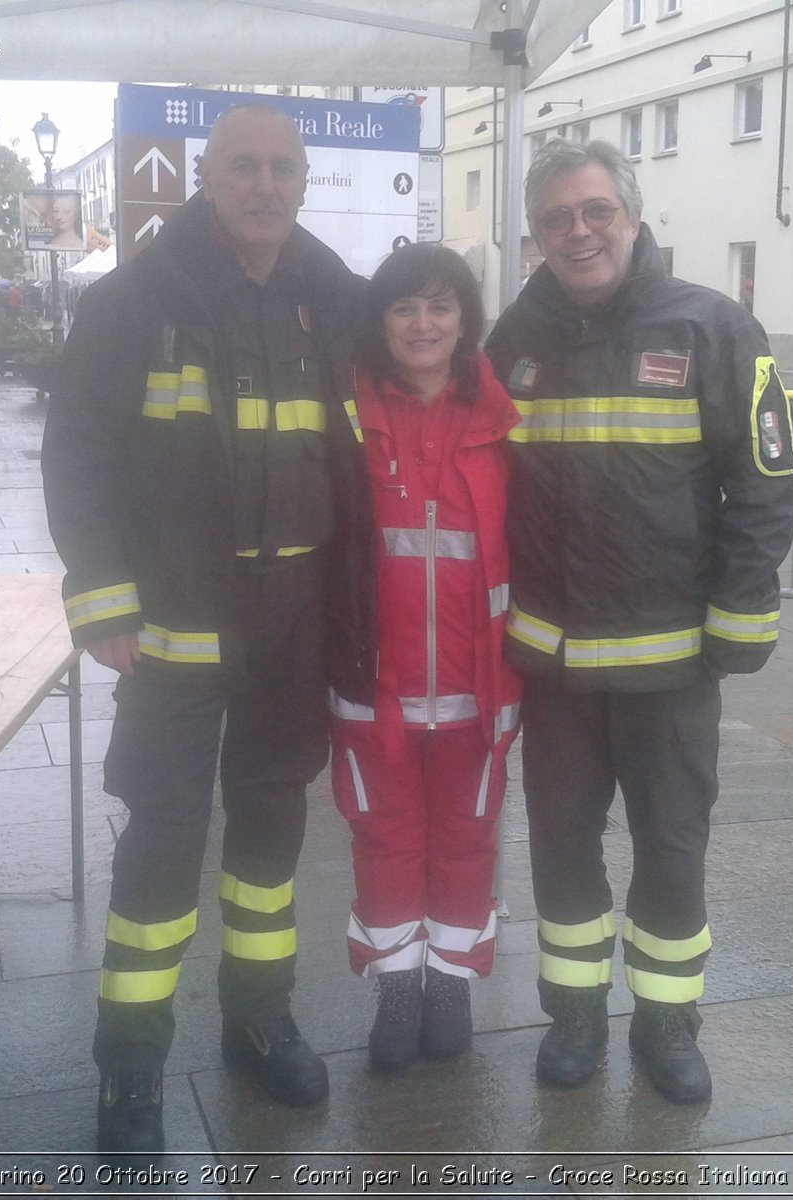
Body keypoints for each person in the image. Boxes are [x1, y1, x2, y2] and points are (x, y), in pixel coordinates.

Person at [41, 104, 365, 1156]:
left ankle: (257, 1021)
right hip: (175, 629)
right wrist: (100, 599)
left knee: (270, 842)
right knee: (162, 851)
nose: (264, 185)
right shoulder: (135, 302)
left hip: (290, 630)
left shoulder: (333, 301)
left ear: (304, 182)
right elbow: (77, 455)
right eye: (243, 167)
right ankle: (129, 1068)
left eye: (282, 168)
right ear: (208, 177)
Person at [484, 140, 793, 1103]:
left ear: (629, 213)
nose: (577, 232)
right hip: (553, 666)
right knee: (563, 847)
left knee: (671, 848)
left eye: (594, 211)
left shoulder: (714, 327)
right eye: (555, 218)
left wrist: (741, 616)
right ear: (536, 233)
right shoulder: (513, 340)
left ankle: (668, 1025)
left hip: (670, 665)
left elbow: (767, 480)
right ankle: (575, 1016)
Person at [329, 243, 521, 1071]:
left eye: (440, 306)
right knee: (385, 838)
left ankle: (450, 981)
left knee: (468, 839)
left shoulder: (504, 419)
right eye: (404, 307)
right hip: (379, 686)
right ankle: (396, 984)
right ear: (381, 322)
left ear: (466, 319)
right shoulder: (348, 416)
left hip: (481, 685)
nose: (422, 323)